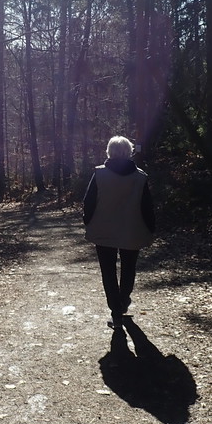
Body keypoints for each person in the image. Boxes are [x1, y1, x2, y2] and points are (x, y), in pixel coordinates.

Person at [83, 136, 155, 329]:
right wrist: (151, 229)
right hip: (133, 229)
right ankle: (123, 301)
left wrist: (88, 222)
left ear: (109, 151)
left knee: (108, 271)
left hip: (104, 229)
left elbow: (88, 202)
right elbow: (147, 206)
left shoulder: (99, 174)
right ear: (129, 151)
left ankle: (116, 310)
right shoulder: (140, 177)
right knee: (129, 268)